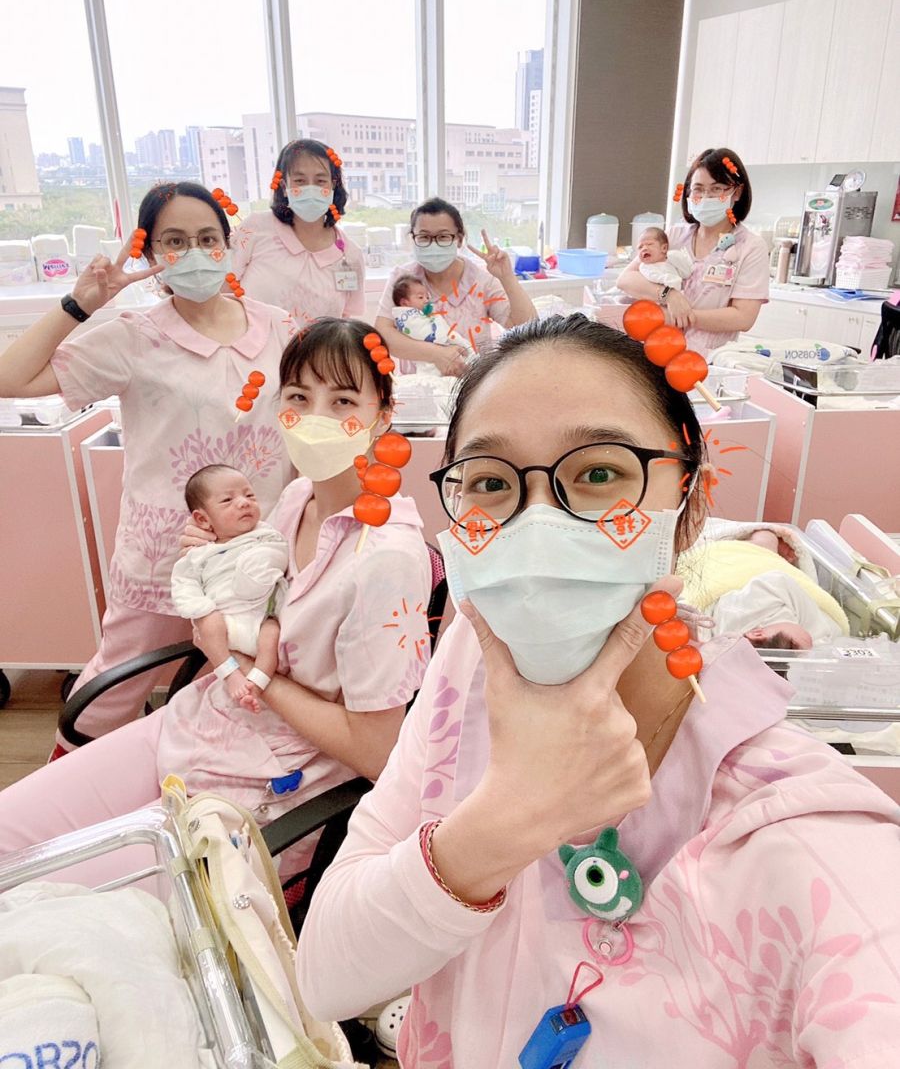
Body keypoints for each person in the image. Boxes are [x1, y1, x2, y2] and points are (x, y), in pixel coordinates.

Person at [296, 315, 900, 1066]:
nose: (538, 524)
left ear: (690, 502)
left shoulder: (805, 840)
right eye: (491, 482)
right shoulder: (470, 661)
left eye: (600, 473)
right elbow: (325, 979)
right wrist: (505, 821)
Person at [0, 319, 432, 882]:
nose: (316, 417)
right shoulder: (297, 498)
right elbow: (256, 598)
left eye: (343, 400)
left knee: (42, 889)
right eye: (299, 397)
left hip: (271, 783)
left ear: (384, 415)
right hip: (199, 720)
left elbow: (377, 750)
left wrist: (245, 668)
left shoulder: (386, 558)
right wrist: (216, 561)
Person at [0, 182, 295, 748]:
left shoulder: (279, 328)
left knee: (239, 694)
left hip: (257, 553)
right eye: (174, 241)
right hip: (163, 557)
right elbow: (10, 379)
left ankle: (194, 791)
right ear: (152, 254)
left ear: (228, 244)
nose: (194, 252)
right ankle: (68, 789)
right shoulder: (134, 337)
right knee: (114, 688)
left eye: (207, 238)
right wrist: (80, 304)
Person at [617, 148, 769, 356]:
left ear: (737, 192)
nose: (706, 197)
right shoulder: (674, 236)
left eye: (716, 189)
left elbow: (743, 318)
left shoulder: (750, 247)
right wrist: (669, 296)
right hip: (655, 351)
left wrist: (684, 315)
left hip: (704, 361)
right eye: (698, 189)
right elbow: (626, 279)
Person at [171, 464, 289, 713]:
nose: (244, 503)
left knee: (271, 634)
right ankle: (229, 673)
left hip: (258, 617)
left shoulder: (266, 535)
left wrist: (256, 564)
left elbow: (280, 554)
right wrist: (199, 607)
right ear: (203, 519)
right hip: (224, 622)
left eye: (249, 495)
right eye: (227, 500)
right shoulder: (200, 552)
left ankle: (256, 684)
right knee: (208, 621)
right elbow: (183, 581)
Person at [374, 198, 536, 376]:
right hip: (421, 385)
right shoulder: (402, 279)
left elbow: (528, 329)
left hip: (474, 384)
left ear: (459, 239)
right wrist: (436, 354)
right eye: (424, 237)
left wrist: (507, 278)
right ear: (413, 238)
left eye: (443, 236)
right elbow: (383, 332)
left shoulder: (482, 281)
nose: (433, 244)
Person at [230, 138, 365, 329]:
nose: (311, 188)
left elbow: (344, 319)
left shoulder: (351, 255)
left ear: (333, 187)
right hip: (253, 347)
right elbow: (223, 291)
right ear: (284, 186)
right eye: (300, 181)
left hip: (318, 349)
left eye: (320, 181)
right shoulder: (255, 228)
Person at [678, 523, 849, 649]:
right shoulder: (794, 635)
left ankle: (767, 544)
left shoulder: (739, 614)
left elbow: (779, 580)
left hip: (734, 566)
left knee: (765, 541)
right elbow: (832, 631)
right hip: (763, 576)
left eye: (794, 644)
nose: (808, 646)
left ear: (757, 633)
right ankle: (777, 553)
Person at [390, 274, 472, 375]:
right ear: (404, 303)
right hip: (428, 357)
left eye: (427, 297)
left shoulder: (421, 315)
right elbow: (421, 333)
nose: (426, 300)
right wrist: (437, 321)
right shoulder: (407, 319)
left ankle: (471, 359)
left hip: (444, 348)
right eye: (420, 297)